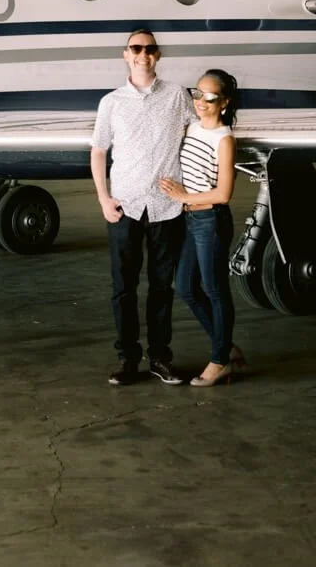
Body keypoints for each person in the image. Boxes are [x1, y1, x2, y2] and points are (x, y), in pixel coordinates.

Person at [90, 28, 194, 387]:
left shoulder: (178, 96)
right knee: (123, 287)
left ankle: (160, 359)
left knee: (162, 287)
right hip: (125, 206)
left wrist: (190, 192)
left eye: (149, 49)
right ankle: (128, 359)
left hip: (167, 207)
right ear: (126, 54)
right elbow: (99, 150)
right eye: (136, 48)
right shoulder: (111, 102)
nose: (143, 54)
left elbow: (199, 136)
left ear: (158, 55)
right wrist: (104, 199)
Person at [161, 68, 243, 387]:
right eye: (196, 94)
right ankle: (226, 347)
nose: (201, 101)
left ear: (224, 102)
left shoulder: (224, 139)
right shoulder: (192, 128)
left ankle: (220, 360)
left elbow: (223, 193)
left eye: (210, 97)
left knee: (214, 290)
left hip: (211, 220)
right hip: (189, 219)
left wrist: (184, 195)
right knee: (185, 287)